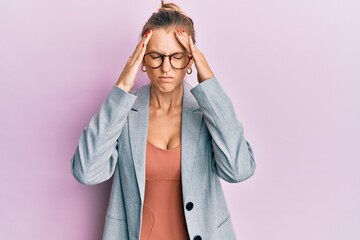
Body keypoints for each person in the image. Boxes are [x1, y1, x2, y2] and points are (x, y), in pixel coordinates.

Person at [70, 1, 256, 240]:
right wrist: (122, 86)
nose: (166, 67)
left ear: (190, 61)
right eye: (156, 56)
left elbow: (239, 170)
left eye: (177, 56)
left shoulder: (207, 111)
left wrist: (209, 81)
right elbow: (86, 171)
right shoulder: (125, 111)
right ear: (142, 60)